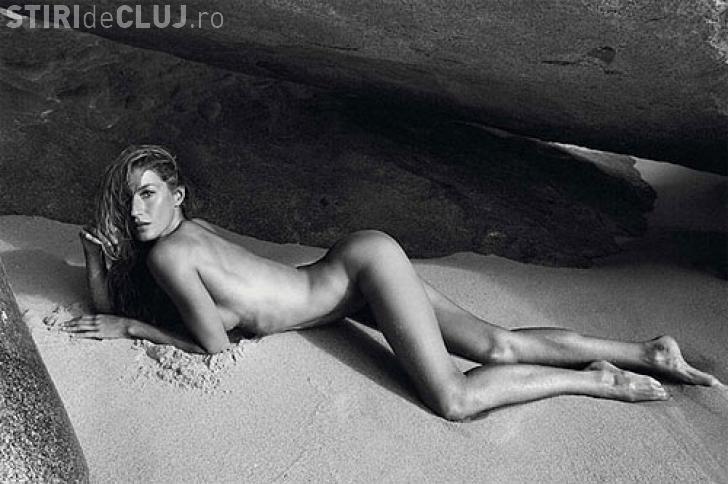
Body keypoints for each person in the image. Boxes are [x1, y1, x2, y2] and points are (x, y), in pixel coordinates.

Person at [64, 145, 721, 421]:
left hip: (359, 275)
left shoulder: (170, 258)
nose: (138, 211)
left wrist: (131, 325)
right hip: (355, 273)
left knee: (455, 400)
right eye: (129, 201)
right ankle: (649, 352)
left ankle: (597, 379)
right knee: (494, 345)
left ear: (176, 194)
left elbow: (213, 347)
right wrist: (97, 266)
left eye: (148, 194)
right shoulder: (186, 236)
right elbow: (211, 312)